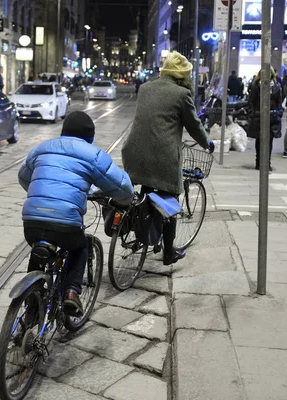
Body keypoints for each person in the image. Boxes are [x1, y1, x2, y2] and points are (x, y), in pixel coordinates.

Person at [18, 111, 134, 316]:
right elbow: (123, 187)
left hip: (31, 221)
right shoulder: (92, 154)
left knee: (38, 251)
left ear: (63, 131)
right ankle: (71, 292)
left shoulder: (41, 148)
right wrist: (123, 201)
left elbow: (24, 178)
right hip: (65, 223)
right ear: (90, 137)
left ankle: (30, 307)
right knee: (79, 246)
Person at [122, 51, 214, 266]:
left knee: (147, 190)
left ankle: (141, 231)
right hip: (162, 157)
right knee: (170, 202)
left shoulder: (145, 88)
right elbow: (194, 126)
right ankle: (169, 252)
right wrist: (207, 143)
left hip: (134, 153)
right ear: (183, 75)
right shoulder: (181, 94)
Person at [247, 66, 283, 171]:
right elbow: (251, 102)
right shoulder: (256, 87)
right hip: (259, 117)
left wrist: (279, 113)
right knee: (259, 141)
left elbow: (279, 103)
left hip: (272, 117)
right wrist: (253, 113)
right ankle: (258, 162)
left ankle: (267, 163)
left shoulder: (276, 87)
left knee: (269, 141)